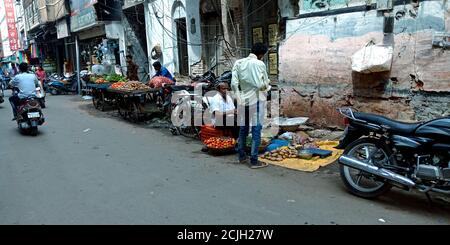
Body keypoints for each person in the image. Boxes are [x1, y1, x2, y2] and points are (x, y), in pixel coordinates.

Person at [231, 43, 271, 169]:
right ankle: (254, 160)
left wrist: (238, 98)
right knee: (256, 129)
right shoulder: (259, 64)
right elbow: (262, 84)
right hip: (257, 99)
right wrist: (267, 86)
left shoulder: (238, 63)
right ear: (261, 55)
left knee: (243, 129)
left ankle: (241, 156)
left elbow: (233, 84)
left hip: (242, 100)